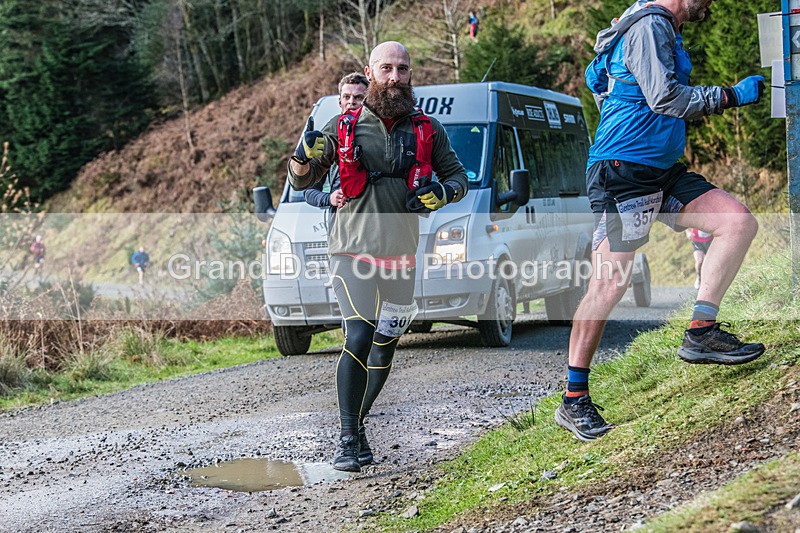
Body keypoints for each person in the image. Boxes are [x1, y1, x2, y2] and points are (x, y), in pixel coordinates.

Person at [555, 0, 766, 442]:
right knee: (609, 285)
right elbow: (665, 97)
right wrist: (728, 95)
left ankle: (701, 332)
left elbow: (602, 81)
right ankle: (574, 399)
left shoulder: (652, 24)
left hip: (663, 171)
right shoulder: (650, 25)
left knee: (737, 222)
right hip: (623, 173)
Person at [288, 41, 468, 472]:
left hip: (402, 254)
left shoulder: (428, 129)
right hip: (351, 251)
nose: (394, 77)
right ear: (370, 73)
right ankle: (349, 439)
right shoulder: (343, 125)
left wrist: (441, 193)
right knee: (358, 337)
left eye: (402, 69)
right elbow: (301, 181)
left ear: (410, 74)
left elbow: (458, 178)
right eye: (386, 68)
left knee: (386, 345)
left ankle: (357, 424)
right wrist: (300, 156)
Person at [303, 73, 369, 216]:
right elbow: (309, 191)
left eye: (359, 97)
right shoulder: (332, 136)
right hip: (341, 224)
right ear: (340, 102)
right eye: (347, 97)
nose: (352, 102)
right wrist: (329, 198)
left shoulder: (381, 134)